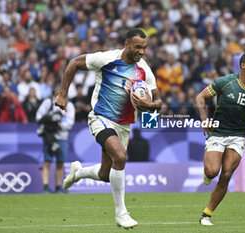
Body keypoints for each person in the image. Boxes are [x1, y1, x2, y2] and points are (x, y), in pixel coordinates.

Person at [55, 28, 162, 229]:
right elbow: (74, 63)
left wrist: (150, 106)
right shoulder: (106, 59)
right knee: (120, 157)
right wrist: (62, 94)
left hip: (123, 126)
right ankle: (122, 214)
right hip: (100, 118)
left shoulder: (144, 70)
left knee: (106, 174)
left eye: (145, 48)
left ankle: (77, 173)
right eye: (138, 47)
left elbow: (158, 101)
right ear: (126, 45)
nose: (142, 52)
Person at [195, 52, 245, 226]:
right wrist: (205, 120)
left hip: (238, 136)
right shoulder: (225, 82)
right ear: (243, 65)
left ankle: (206, 215)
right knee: (212, 172)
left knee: (226, 174)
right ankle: (207, 174)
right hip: (218, 132)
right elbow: (200, 97)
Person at [36, 89, 75, 193]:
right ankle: (45, 186)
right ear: (55, 93)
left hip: (62, 136)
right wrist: (49, 120)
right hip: (50, 136)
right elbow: (38, 116)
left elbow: (70, 122)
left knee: (60, 163)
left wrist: (60, 124)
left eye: (61, 94)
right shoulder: (48, 102)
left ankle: (58, 187)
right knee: (47, 161)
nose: (59, 95)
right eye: (57, 93)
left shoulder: (69, 105)